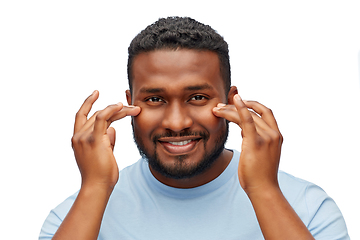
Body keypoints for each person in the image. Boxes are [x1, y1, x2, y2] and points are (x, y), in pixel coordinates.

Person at [39, 17, 349, 240]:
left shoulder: (306, 207)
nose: (177, 122)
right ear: (129, 104)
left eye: (197, 97)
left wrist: (264, 191)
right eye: (155, 99)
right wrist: (94, 188)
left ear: (231, 102)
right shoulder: (76, 217)